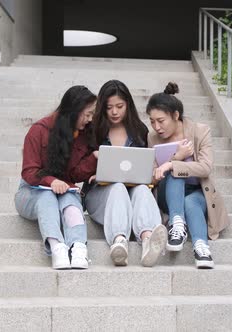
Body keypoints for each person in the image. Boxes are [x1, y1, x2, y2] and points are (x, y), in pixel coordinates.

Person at [85, 80, 167, 267]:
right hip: (101, 195)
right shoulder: (93, 131)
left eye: (119, 106)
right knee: (118, 186)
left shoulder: (139, 131)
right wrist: (94, 164)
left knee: (142, 190)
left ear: (128, 105)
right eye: (109, 107)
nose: (114, 112)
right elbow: (79, 166)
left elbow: (145, 168)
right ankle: (119, 241)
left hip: (134, 194)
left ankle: (148, 240)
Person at [146, 82, 228, 269]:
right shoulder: (152, 137)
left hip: (197, 192)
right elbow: (151, 176)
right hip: (168, 194)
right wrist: (175, 160)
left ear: (175, 116)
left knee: (190, 201)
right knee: (175, 174)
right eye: (152, 121)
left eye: (161, 121)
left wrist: (171, 163)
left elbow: (206, 168)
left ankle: (201, 249)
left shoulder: (200, 131)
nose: (156, 127)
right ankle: (177, 222)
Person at [15, 85, 98, 270]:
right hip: (30, 192)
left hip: (64, 190)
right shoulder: (38, 130)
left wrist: (93, 159)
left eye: (92, 114)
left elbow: (75, 174)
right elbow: (29, 171)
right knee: (47, 196)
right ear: (73, 110)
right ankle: (57, 246)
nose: (90, 119)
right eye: (87, 114)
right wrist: (51, 181)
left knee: (70, 199)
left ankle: (78, 246)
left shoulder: (82, 134)